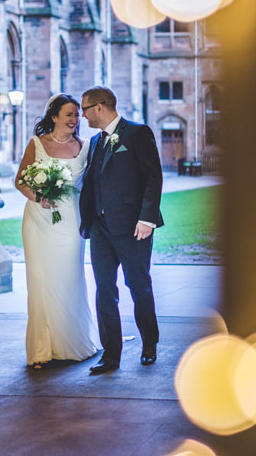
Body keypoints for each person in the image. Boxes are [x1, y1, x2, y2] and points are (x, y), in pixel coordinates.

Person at [79, 86, 164, 374]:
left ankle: (149, 344)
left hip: (133, 228)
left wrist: (147, 218)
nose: (83, 115)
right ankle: (111, 354)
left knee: (139, 287)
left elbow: (153, 177)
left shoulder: (138, 133)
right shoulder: (94, 142)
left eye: (85, 109)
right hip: (100, 229)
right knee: (104, 291)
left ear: (100, 107)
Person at [15, 93, 100, 370]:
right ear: (54, 117)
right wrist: (38, 197)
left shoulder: (85, 147)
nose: (75, 120)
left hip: (70, 220)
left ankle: (72, 343)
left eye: (77, 115)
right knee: (40, 281)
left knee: (69, 278)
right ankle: (42, 349)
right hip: (39, 219)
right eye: (69, 115)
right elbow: (20, 180)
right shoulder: (36, 144)